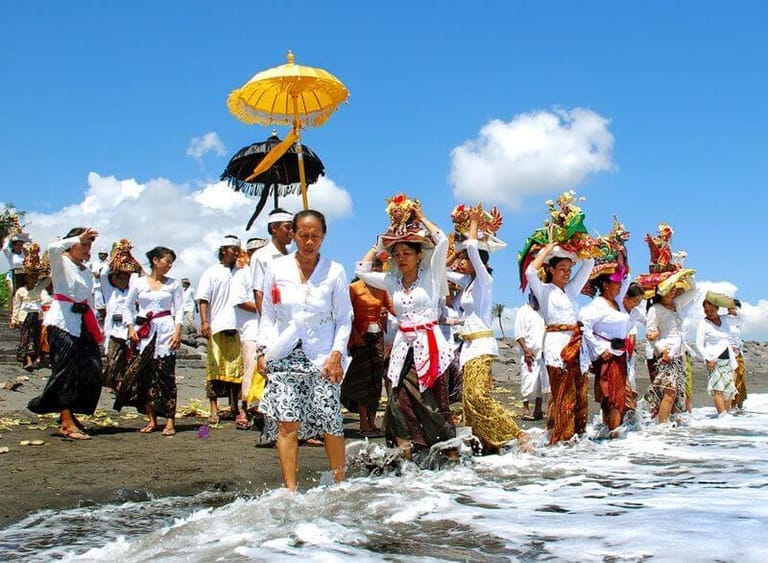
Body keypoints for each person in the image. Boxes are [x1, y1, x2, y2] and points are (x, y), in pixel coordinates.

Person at [256, 210, 353, 490]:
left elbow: (344, 318)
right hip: (284, 352)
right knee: (288, 422)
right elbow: (268, 314)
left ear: (323, 237)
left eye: (315, 236)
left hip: (323, 355)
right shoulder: (277, 268)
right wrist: (263, 350)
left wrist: (337, 354)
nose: (309, 242)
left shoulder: (335, 270)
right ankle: (290, 488)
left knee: (330, 419)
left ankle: (339, 483)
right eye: (303, 235)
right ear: (293, 235)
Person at [356, 196, 455, 457]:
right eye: (396, 254)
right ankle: (411, 449)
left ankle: (449, 451)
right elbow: (362, 269)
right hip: (402, 347)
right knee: (398, 397)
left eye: (407, 253)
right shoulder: (392, 281)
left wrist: (421, 217)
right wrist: (381, 241)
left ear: (419, 255)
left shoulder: (432, 275)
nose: (401, 258)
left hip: (430, 346)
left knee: (434, 400)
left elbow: (442, 241)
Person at [451, 205, 529, 452]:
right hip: (467, 347)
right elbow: (440, 271)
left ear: (480, 262)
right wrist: (457, 248)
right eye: (462, 259)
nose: (462, 262)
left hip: (482, 345)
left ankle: (517, 433)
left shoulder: (484, 280)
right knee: (468, 402)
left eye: (465, 259)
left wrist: (474, 225)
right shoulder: (467, 284)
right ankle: (488, 445)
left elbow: (473, 249)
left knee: (477, 396)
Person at [28, 227, 104, 440]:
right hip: (62, 321)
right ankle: (66, 419)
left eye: (90, 244)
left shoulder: (86, 271)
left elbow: (89, 299)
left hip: (82, 321)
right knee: (65, 369)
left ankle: (64, 410)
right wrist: (76, 238)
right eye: (84, 244)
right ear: (72, 244)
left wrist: (95, 326)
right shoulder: (61, 263)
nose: (87, 248)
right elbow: (52, 247)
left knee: (93, 368)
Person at [525, 241, 595, 444]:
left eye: (569, 269)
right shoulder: (544, 290)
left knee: (580, 392)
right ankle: (564, 438)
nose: (566, 273)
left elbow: (588, 264)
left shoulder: (572, 290)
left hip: (577, 345)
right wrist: (547, 250)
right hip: (557, 346)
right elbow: (530, 272)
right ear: (551, 269)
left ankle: (575, 434)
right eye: (561, 269)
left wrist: (577, 243)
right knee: (565, 393)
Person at [117, 246, 183, 436]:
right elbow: (127, 307)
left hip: (166, 330)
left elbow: (179, 309)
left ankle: (170, 420)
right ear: (155, 260)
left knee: (166, 375)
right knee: (145, 376)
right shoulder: (138, 283)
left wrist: (178, 331)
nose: (169, 265)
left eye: (171, 262)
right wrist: (130, 327)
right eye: (166, 261)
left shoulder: (173, 284)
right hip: (144, 330)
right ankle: (151, 419)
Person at [580, 271, 635, 436]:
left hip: (620, 355)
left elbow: (627, 278)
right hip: (608, 356)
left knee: (616, 396)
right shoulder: (598, 304)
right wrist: (598, 349)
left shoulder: (617, 301)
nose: (619, 287)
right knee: (613, 397)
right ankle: (613, 434)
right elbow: (584, 325)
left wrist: (620, 255)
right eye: (616, 284)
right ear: (605, 285)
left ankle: (610, 433)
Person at [342, 257, 392, 436]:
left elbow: (393, 308)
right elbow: (347, 315)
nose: (376, 273)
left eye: (379, 270)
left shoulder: (381, 289)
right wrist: (355, 335)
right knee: (362, 381)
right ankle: (363, 423)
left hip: (377, 336)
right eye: (374, 270)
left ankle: (372, 421)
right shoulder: (354, 288)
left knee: (375, 381)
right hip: (360, 337)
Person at [197, 235, 243, 425]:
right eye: (233, 249)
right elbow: (203, 299)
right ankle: (214, 409)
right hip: (217, 326)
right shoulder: (211, 273)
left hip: (238, 326)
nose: (237, 253)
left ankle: (236, 407)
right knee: (215, 369)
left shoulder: (242, 272)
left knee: (237, 370)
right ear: (225, 250)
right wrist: (205, 321)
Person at [643, 284, 697, 422]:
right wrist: (662, 350)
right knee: (669, 392)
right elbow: (650, 335)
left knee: (678, 393)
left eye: (673, 288)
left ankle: (672, 427)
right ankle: (662, 427)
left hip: (679, 354)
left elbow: (695, 289)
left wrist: (680, 276)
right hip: (665, 355)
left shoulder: (677, 303)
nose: (672, 291)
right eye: (669, 288)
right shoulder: (655, 309)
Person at [232, 238, 267, 429]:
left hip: (268, 328)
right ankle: (244, 410)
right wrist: (265, 308)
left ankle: (261, 410)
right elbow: (240, 301)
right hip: (251, 327)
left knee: (265, 370)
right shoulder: (243, 275)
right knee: (250, 368)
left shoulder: (270, 273)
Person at [100, 240, 142, 392]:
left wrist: (128, 255)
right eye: (120, 278)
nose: (123, 281)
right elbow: (104, 274)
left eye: (125, 278)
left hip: (128, 329)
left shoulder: (132, 291)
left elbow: (137, 273)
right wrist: (116, 256)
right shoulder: (109, 291)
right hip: (113, 328)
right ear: (114, 279)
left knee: (127, 358)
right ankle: (112, 382)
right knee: (113, 358)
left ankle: (122, 383)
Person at [696, 297, 740, 415]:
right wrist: (708, 359)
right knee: (717, 389)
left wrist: (733, 310)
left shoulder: (725, 319)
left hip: (728, 359)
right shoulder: (704, 323)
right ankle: (722, 416)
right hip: (714, 360)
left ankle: (726, 415)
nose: (709, 313)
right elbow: (699, 344)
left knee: (728, 389)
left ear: (717, 308)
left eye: (712, 310)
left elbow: (741, 319)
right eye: (707, 311)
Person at [11, 244, 51, 371]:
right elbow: (16, 306)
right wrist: (14, 319)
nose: (32, 279)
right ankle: (27, 359)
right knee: (26, 336)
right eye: (30, 277)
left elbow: (48, 280)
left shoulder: (39, 289)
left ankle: (33, 358)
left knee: (36, 336)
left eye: (34, 277)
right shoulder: (21, 291)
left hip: (36, 315)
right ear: (26, 278)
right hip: (25, 317)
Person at [252, 208, 294, 314]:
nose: (291, 232)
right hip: (274, 319)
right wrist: (266, 324)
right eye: (287, 227)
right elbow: (258, 292)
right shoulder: (261, 256)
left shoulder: (293, 256)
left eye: (293, 228)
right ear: (274, 228)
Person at [515, 291, 548, 421]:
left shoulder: (543, 313)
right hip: (528, 354)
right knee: (528, 380)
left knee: (541, 383)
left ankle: (538, 410)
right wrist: (526, 350)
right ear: (530, 297)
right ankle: (526, 409)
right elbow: (519, 334)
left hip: (542, 354)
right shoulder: (522, 311)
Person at [89, 248, 109, 321]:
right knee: (98, 304)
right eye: (100, 254)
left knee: (106, 303)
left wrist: (99, 273)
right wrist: (99, 273)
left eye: (103, 254)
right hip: (97, 286)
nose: (101, 255)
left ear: (106, 255)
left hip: (106, 286)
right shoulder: (95, 263)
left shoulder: (108, 263)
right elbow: (96, 274)